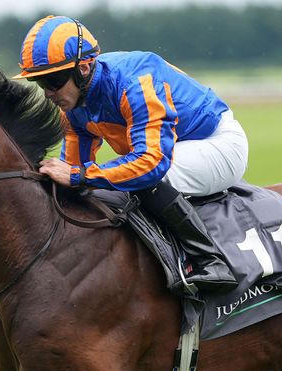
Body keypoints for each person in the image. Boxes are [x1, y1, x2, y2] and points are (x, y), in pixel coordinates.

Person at [13, 15, 248, 293]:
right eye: (40, 82)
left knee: (144, 180)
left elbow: (151, 164)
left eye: (53, 81)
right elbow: (74, 173)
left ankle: (211, 261)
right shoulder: (73, 106)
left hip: (216, 143)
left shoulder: (135, 83)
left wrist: (79, 175)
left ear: (84, 68)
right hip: (173, 150)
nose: (48, 94)